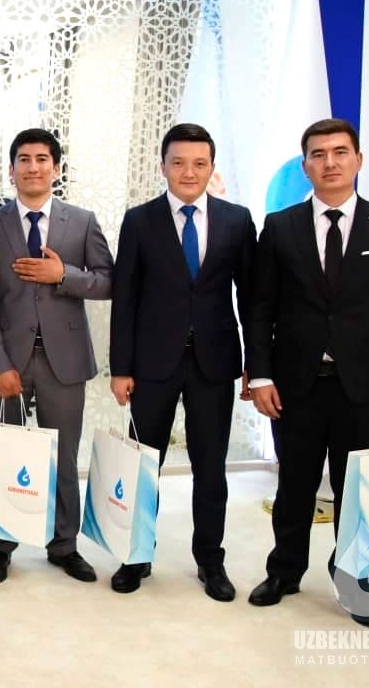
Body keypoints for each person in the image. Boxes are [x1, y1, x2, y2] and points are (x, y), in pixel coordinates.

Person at [246, 119, 369, 628]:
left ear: (358, 160)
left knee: (357, 492)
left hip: (365, 387)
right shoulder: (280, 226)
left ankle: (354, 582)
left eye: (340, 152)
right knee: (294, 486)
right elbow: (260, 308)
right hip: (294, 384)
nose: (330, 162)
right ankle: (284, 571)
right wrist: (260, 376)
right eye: (318, 154)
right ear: (305, 167)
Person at [108, 123, 256, 600]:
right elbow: (125, 298)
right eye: (178, 163)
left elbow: (252, 299)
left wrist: (257, 364)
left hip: (214, 362)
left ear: (212, 167)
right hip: (152, 363)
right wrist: (120, 367)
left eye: (198, 163)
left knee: (210, 468)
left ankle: (210, 560)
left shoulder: (237, 220)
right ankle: (136, 556)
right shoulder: (139, 220)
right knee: (143, 465)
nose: (188, 172)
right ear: (163, 167)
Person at [0, 128, 113, 585]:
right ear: (11, 168)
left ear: (56, 167)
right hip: (7, 362)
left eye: (41, 159)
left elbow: (108, 281)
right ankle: (0, 545)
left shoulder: (83, 221)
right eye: (24, 159)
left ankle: (64, 545)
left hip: (64, 361)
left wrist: (64, 275)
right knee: (3, 454)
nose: (33, 167)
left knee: (63, 458)